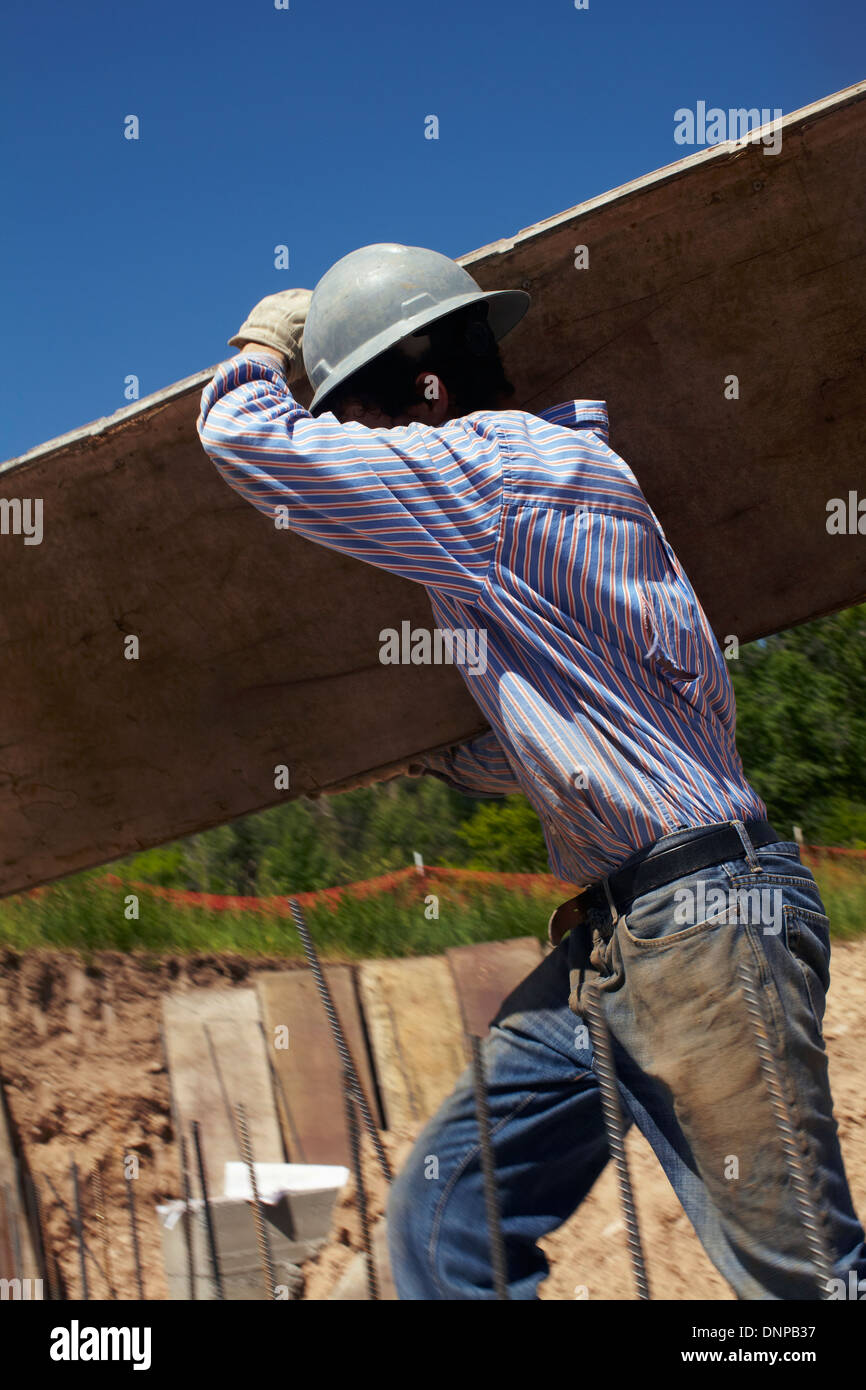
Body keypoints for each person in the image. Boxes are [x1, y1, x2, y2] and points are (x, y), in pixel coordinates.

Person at [197, 242, 865, 1300]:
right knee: (448, 1212)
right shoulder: (556, 485)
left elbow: (249, 445)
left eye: (358, 409)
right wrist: (429, 760)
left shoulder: (483, 473)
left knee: (806, 1288)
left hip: (699, 925)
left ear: (416, 365)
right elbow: (596, 728)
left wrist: (263, 346)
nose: (363, 438)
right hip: (631, 932)